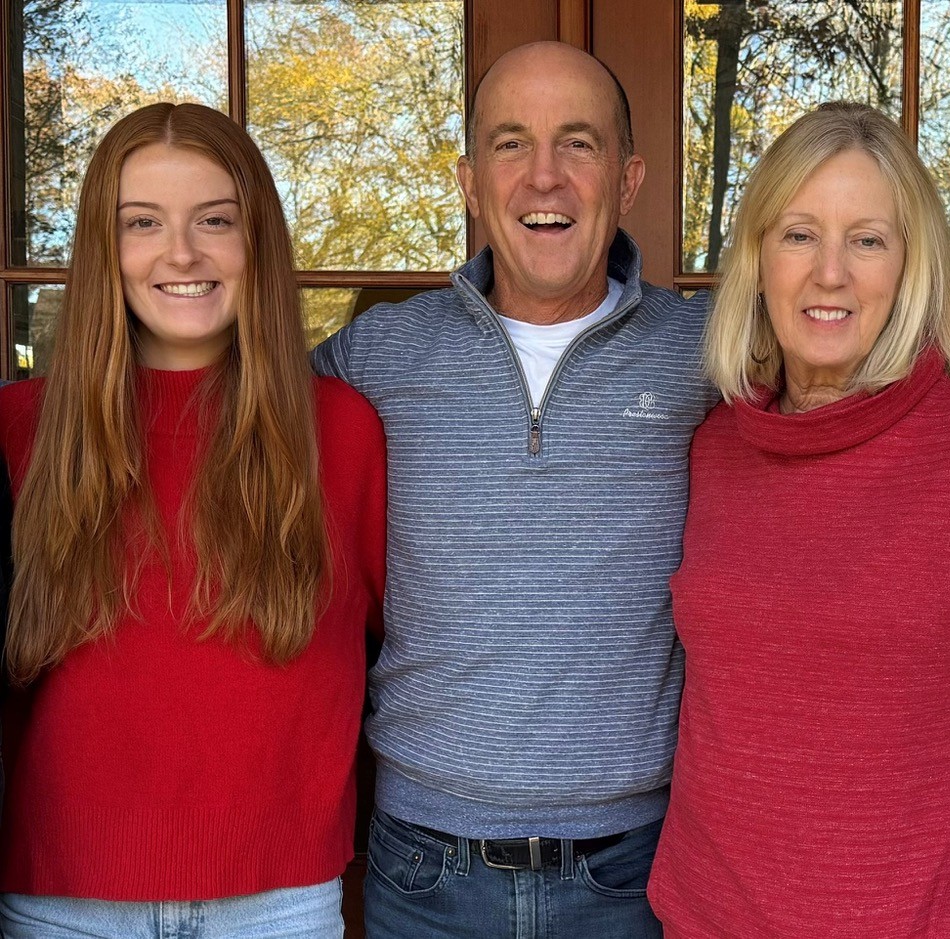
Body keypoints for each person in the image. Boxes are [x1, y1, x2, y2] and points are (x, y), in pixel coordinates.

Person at [644, 101, 950, 939]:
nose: (830, 272)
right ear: (755, 260)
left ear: (909, 267)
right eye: (798, 234)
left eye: (867, 239)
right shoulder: (713, 447)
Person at [311, 41, 719, 938]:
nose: (544, 177)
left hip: (638, 868)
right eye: (509, 144)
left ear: (629, 178)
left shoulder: (707, 357)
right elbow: (230, 437)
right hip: (424, 872)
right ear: (468, 180)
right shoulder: (379, 356)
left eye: (578, 144)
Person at [0, 102, 386, 937]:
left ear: (259, 243)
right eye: (143, 222)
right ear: (106, 250)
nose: (181, 252)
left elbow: (415, 658)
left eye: (216, 220)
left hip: (280, 901)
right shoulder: (19, 430)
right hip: (61, 901)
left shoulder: (343, 432)